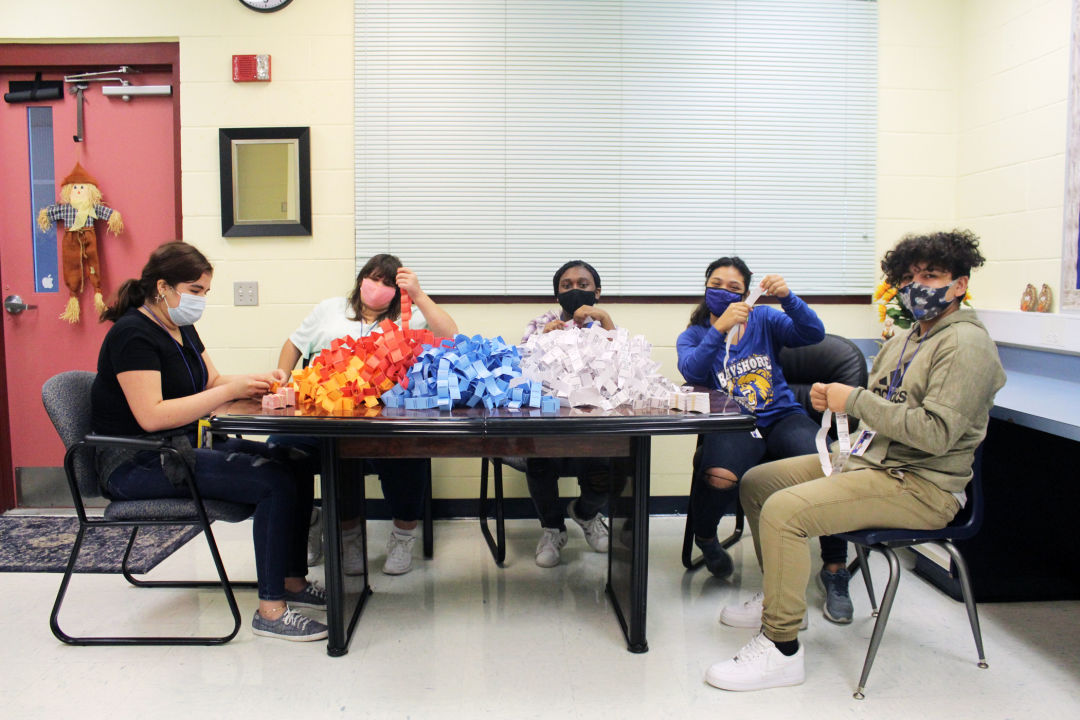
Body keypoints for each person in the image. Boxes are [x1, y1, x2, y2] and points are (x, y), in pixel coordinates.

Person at [706, 229, 1006, 692]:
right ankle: (778, 600)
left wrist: (856, 400)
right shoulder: (907, 339)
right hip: (872, 463)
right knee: (759, 483)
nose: (916, 286)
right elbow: (877, 408)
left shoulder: (964, 345)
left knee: (785, 511)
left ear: (960, 284)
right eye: (908, 278)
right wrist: (838, 402)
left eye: (931, 275)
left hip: (921, 485)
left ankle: (781, 647)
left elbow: (935, 434)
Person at [91, 241, 327, 642]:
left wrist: (253, 383)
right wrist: (222, 395)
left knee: (296, 459)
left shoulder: (179, 326)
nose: (200, 300)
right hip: (137, 463)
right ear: (163, 286)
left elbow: (212, 382)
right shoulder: (132, 335)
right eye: (195, 291)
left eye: (204, 292)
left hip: (177, 449)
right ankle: (271, 610)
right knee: (274, 481)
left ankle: (291, 580)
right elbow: (152, 416)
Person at [677, 258, 851, 619]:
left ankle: (835, 567)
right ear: (704, 287)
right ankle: (707, 538)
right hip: (734, 423)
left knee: (827, 470)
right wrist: (719, 329)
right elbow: (692, 372)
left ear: (748, 293)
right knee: (718, 475)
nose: (723, 290)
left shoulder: (765, 320)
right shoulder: (692, 335)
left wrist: (788, 298)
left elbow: (813, 334)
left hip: (783, 417)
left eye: (733, 287)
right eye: (716, 283)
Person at [275, 254, 458, 577]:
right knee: (284, 446)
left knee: (408, 450)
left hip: (386, 417)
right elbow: (294, 343)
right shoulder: (330, 309)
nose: (378, 287)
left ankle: (403, 536)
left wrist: (417, 294)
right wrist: (282, 377)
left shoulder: (409, 317)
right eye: (373, 278)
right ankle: (340, 534)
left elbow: (451, 336)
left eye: (388, 283)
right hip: (328, 415)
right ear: (361, 279)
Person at [521, 260, 623, 568]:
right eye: (566, 285)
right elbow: (521, 371)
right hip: (550, 424)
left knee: (607, 470)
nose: (575, 290)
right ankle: (553, 530)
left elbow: (623, 374)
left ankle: (586, 514)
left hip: (594, 426)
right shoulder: (541, 324)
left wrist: (605, 322)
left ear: (598, 292)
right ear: (556, 294)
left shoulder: (604, 325)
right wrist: (543, 342)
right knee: (537, 459)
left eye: (583, 284)